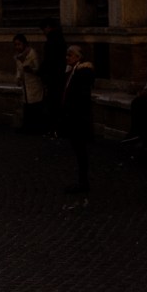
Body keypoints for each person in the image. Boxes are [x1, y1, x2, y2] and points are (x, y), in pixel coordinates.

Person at [58, 45, 94, 206]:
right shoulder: (71, 72)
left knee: (80, 150)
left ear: (78, 57)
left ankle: (83, 181)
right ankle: (82, 180)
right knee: (78, 149)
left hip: (78, 117)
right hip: (73, 116)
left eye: (70, 56)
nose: (67, 58)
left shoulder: (82, 73)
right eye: (67, 55)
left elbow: (81, 95)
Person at [38, 17, 67, 137]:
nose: (43, 32)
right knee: (56, 103)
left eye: (44, 29)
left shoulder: (51, 41)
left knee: (53, 104)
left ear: (48, 27)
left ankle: (54, 130)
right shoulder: (60, 39)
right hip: (59, 76)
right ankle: (56, 129)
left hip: (53, 77)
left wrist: (41, 72)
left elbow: (49, 61)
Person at [13, 33, 43, 134]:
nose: (17, 47)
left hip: (34, 83)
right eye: (16, 45)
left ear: (25, 44)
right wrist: (18, 78)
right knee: (26, 105)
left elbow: (37, 68)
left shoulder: (32, 53)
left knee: (34, 106)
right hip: (25, 84)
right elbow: (18, 68)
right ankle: (27, 127)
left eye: (19, 44)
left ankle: (36, 128)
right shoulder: (18, 56)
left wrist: (28, 67)